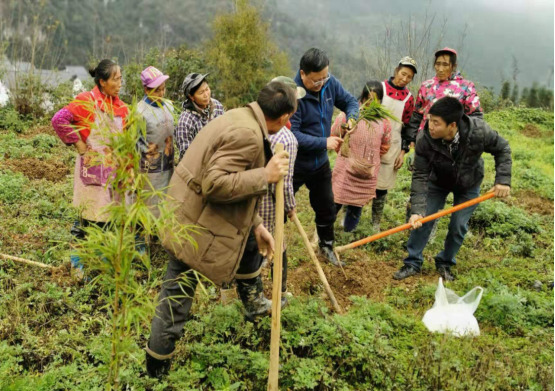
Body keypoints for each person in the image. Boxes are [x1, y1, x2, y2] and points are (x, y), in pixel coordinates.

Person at [145, 81, 296, 378]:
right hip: (194, 223)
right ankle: (155, 370)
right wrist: (265, 174)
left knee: (246, 251)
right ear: (284, 118)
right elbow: (214, 184)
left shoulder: (240, 116)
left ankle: (253, 303)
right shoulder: (249, 136)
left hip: (190, 211)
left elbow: (229, 177)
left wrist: (256, 225)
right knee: (176, 294)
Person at [393, 97, 511, 282]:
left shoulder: (478, 131)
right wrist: (416, 210)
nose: (430, 126)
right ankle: (412, 262)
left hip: (468, 183)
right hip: (438, 181)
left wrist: (503, 180)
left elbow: (502, 148)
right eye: (430, 120)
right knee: (422, 219)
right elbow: (420, 175)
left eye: (436, 123)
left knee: (458, 225)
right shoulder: (425, 139)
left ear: (452, 125)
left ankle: (445, 262)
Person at [51, 59, 128, 274]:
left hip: (113, 174)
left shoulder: (120, 107)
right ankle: (78, 268)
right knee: (85, 221)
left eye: (121, 78)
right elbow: (59, 119)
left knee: (108, 221)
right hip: (91, 173)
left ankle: (101, 268)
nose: (120, 82)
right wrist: (80, 145)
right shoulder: (86, 101)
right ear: (103, 82)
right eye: (116, 78)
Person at [291, 47, 359, 266]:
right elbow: (293, 135)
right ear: (303, 74)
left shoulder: (329, 83)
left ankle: (326, 245)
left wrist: (352, 118)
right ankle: (268, 248)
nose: (321, 84)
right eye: (315, 81)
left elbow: (351, 102)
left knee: (327, 206)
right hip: (295, 164)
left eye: (324, 78)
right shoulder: (292, 94)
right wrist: (324, 142)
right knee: (279, 209)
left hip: (319, 164)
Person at [257, 76, 304, 305]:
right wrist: (290, 207)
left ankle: (233, 294)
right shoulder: (287, 139)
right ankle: (280, 292)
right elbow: (284, 183)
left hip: (249, 203)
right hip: (269, 206)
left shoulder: (253, 127)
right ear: (288, 112)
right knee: (277, 246)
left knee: (249, 247)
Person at [331, 80, 391, 232]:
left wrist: (369, 157)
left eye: (376, 100)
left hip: (367, 171)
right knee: (336, 200)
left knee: (356, 205)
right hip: (346, 168)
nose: (371, 103)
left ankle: (348, 232)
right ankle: (324, 231)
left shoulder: (384, 121)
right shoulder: (349, 114)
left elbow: (384, 146)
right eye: (369, 99)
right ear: (363, 97)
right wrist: (346, 154)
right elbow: (336, 134)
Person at [372, 57, 417, 231]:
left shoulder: (409, 98)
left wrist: (403, 151)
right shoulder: (380, 88)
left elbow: (409, 126)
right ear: (396, 70)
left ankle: (375, 222)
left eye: (409, 77)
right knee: (360, 180)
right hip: (372, 140)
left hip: (393, 144)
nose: (404, 79)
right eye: (403, 74)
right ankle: (349, 216)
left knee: (382, 186)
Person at [136, 66, 174, 218]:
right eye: (157, 90)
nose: (161, 93)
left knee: (166, 203)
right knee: (149, 206)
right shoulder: (139, 112)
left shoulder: (169, 106)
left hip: (169, 165)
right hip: (149, 171)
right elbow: (134, 144)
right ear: (146, 90)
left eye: (163, 89)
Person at [175, 73, 224, 161]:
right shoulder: (185, 122)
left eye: (207, 89)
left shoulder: (217, 106)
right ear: (191, 97)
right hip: (198, 168)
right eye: (201, 92)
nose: (206, 95)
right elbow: (186, 156)